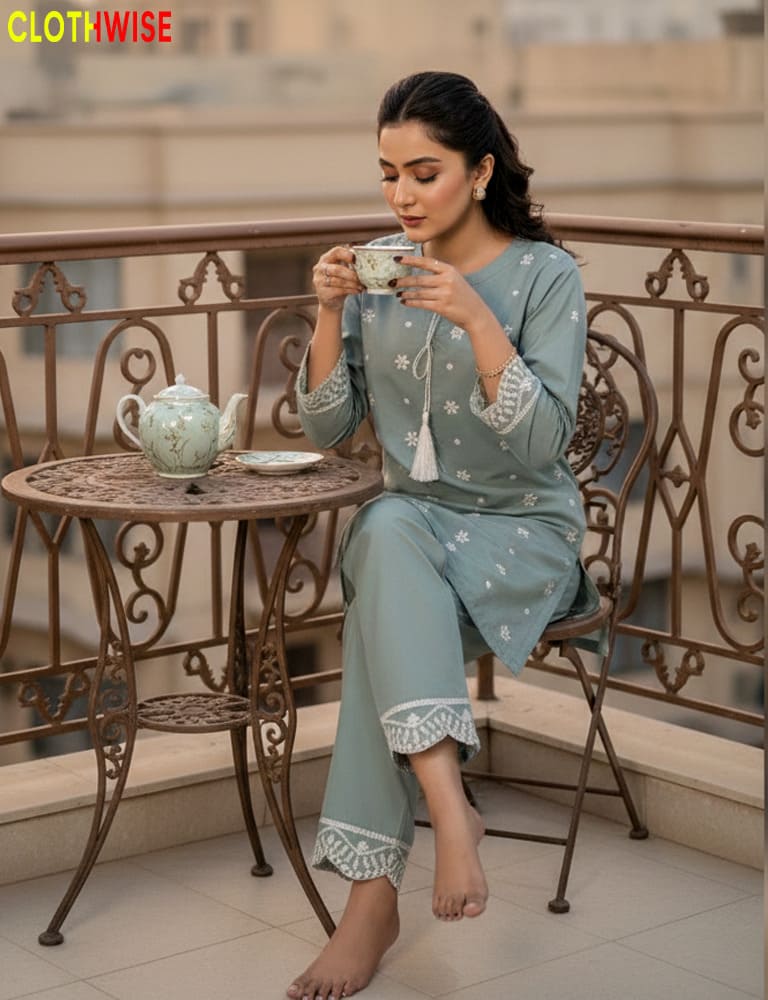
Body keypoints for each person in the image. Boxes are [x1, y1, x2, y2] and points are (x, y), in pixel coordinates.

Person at [289, 70, 599, 1000]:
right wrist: (330, 311)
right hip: (413, 534)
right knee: (386, 527)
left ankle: (370, 904)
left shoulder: (546, 277)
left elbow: (547, 443)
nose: (402, 196)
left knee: (382, 588)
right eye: (388, 175)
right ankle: (447, 813)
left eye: (424, 173)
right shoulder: (382, 269)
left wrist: (473, 313)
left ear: (480, 170)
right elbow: (326, 431)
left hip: (521, 535)